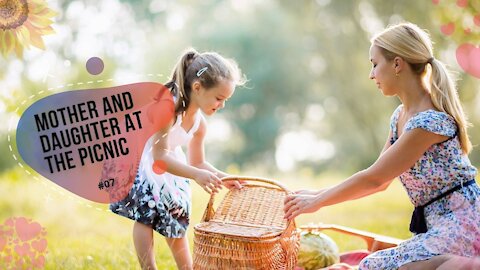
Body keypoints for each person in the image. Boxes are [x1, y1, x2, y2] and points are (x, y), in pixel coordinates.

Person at [284, 22, 479, 270]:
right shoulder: (400, 116)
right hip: (439, 226)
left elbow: (374, 179)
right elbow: (381, 179)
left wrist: (318, 201)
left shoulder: (430, 122)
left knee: (374, 266)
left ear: (397, 64)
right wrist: (314, 195)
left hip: (464, 225)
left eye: (375, 64)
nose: (371, 74)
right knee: (376, 264)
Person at [111, 48, 245, 269]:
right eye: (219, 98)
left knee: (177, 216)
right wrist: (196, 175)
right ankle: (148, 267)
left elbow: (197, 163)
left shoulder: (200, 124)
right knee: (147, 214)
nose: (221, 105)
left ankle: (187, 268)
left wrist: (223, 178)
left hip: (171, 161)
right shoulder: (168, 108)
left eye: (225, 100)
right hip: (144, 160)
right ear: (198, 87)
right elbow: (158, 156)